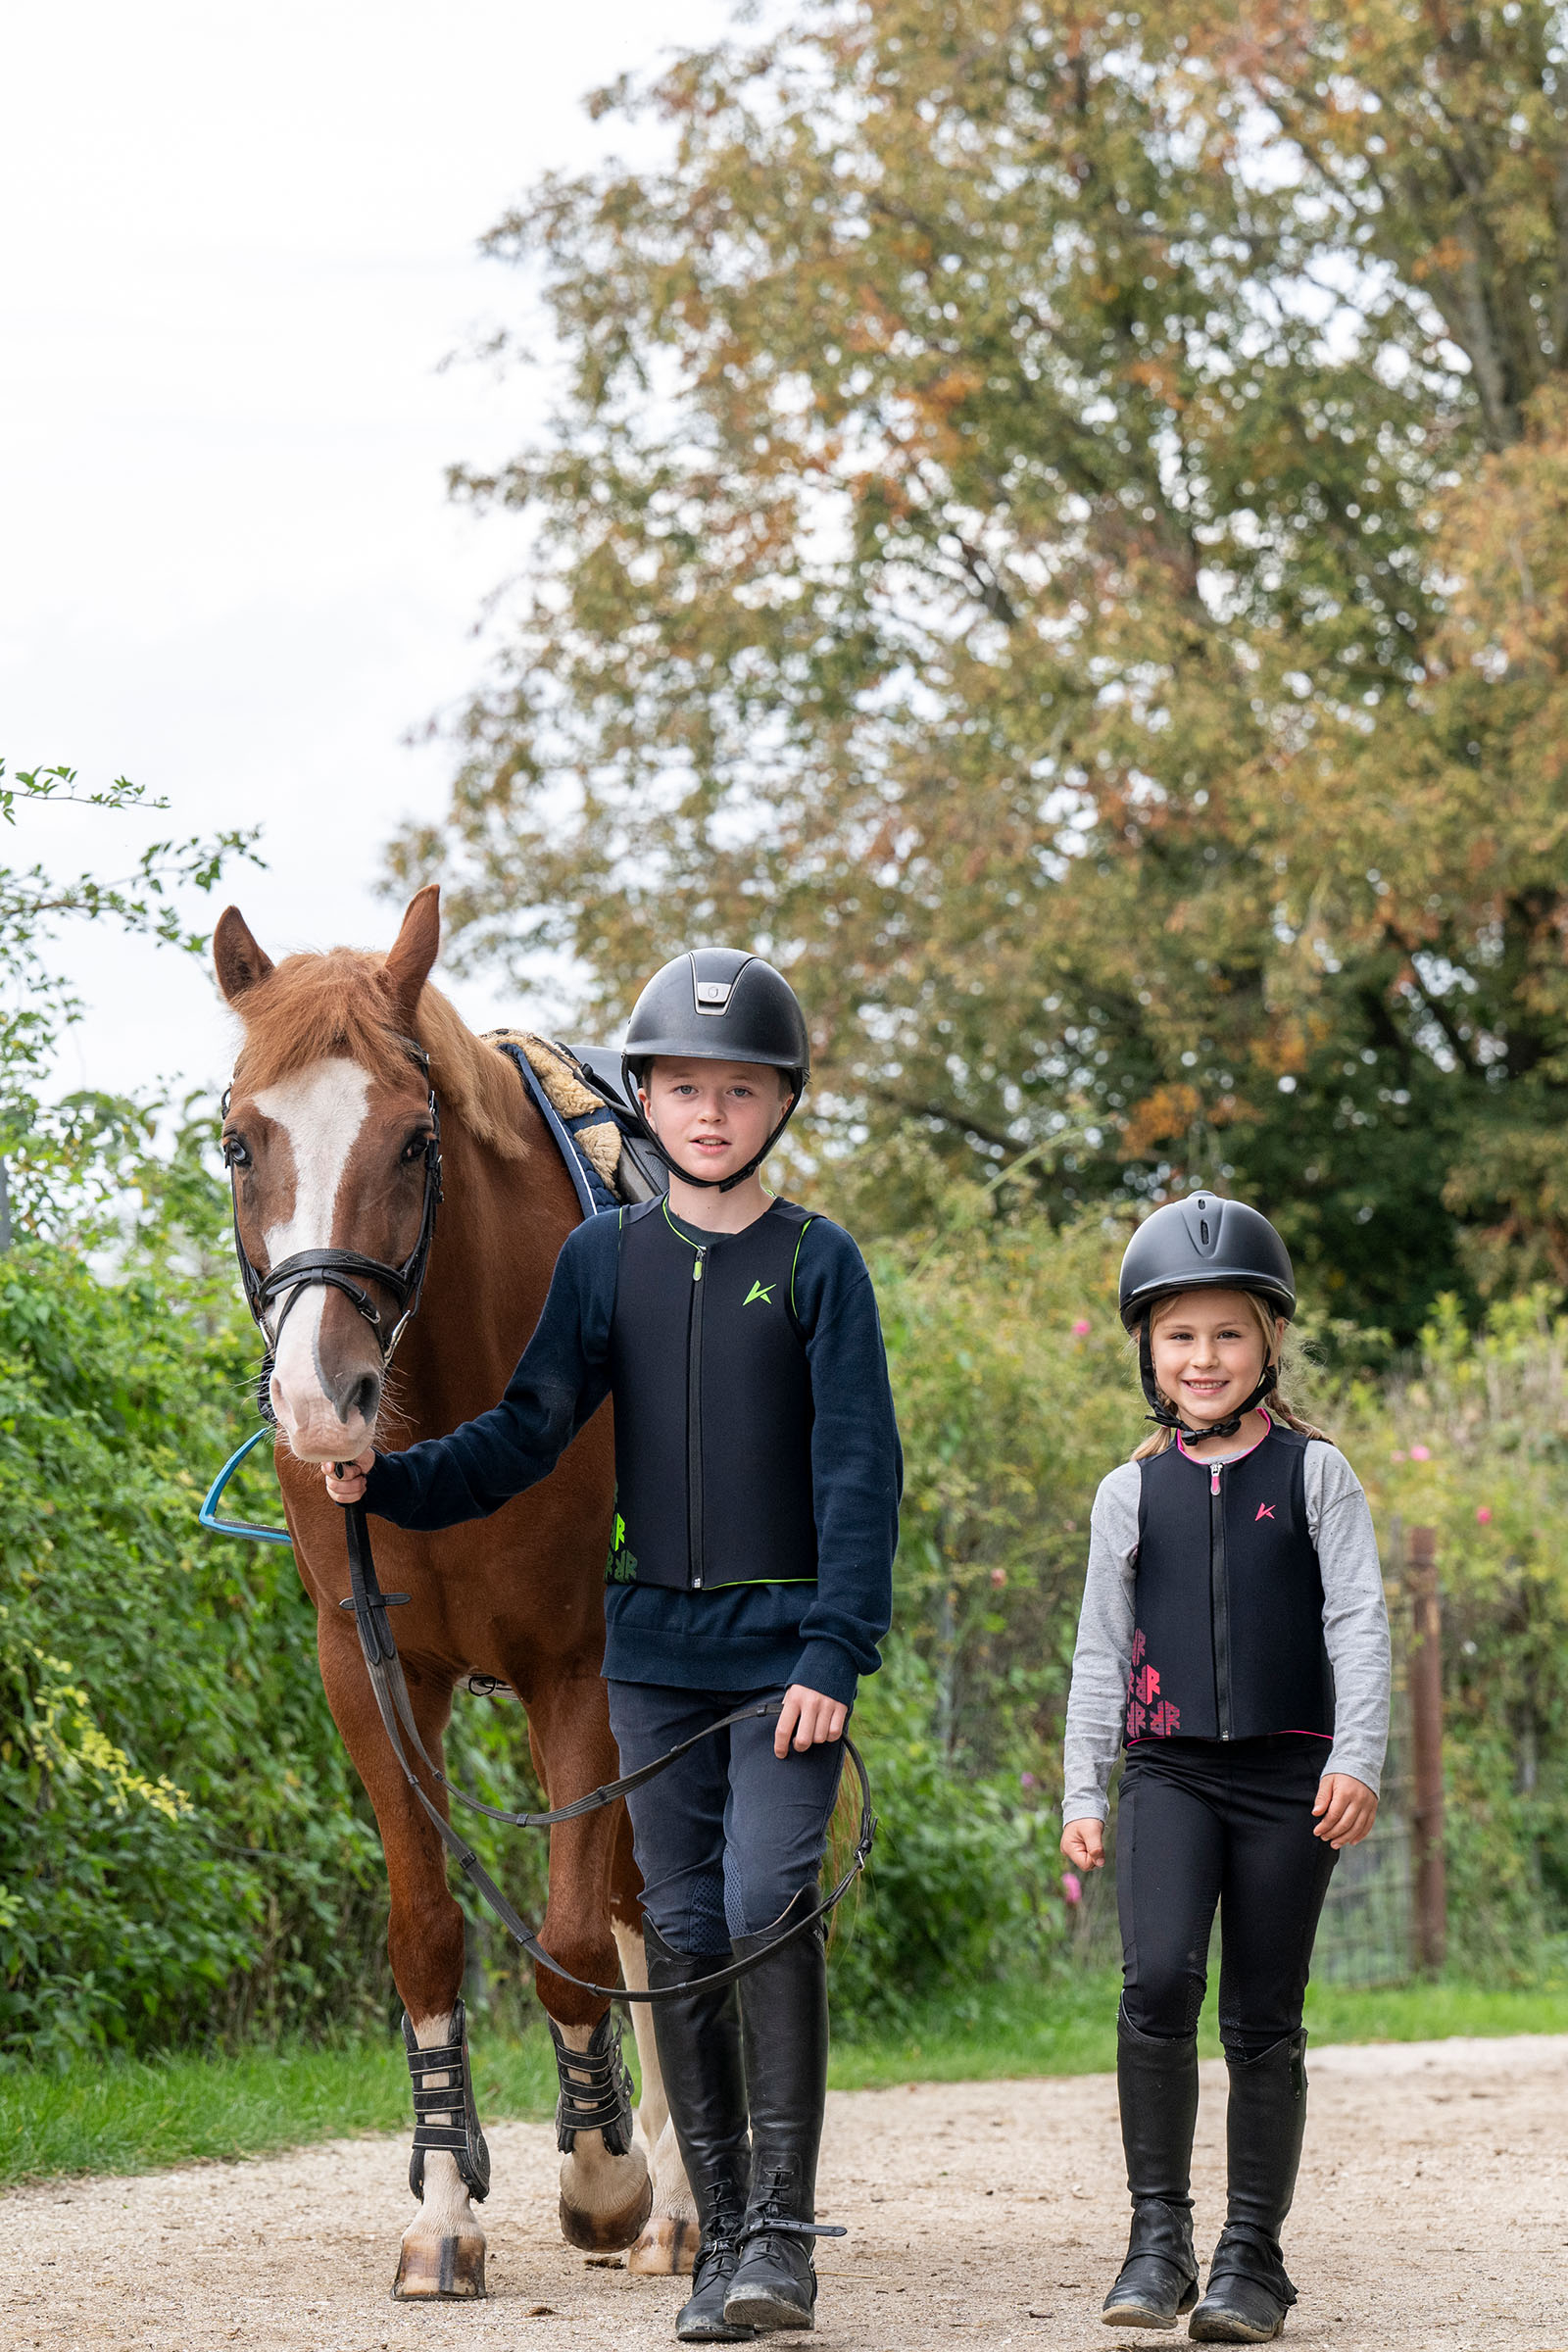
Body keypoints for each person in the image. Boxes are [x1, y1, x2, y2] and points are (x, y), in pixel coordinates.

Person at [324, 947, 901, 2343]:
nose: (711, 1113)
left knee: (768, 1912)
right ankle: (719, 2238)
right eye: (686, 1089)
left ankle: (777, 2230)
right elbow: (529, 1432)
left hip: (780, 1662)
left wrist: (836, 1649)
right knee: (688, 1922)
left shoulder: (821, 1265)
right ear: (648, 1099)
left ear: (780, 1105)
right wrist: (386, 1484)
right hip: (651, 1656)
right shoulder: (603, 1261)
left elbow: (859, 1471)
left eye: (740, 1090)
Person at [1060, 1194, 1390, 2344]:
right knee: (1155, 1984)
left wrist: (1357, 1755)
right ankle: (1158, 2241)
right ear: (1149, 1350)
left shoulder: (1315, 1476)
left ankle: (1252, 2259)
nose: (1203, 1357)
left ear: (1269, 1344)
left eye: (1227, 1334)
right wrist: (1081, 1790)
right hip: (1164, 1773)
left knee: (1262, 2016)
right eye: (1180, 1335)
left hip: (1290, 1779)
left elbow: (1357, 1623)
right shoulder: (1126, 1493)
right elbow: (1100, 1652)